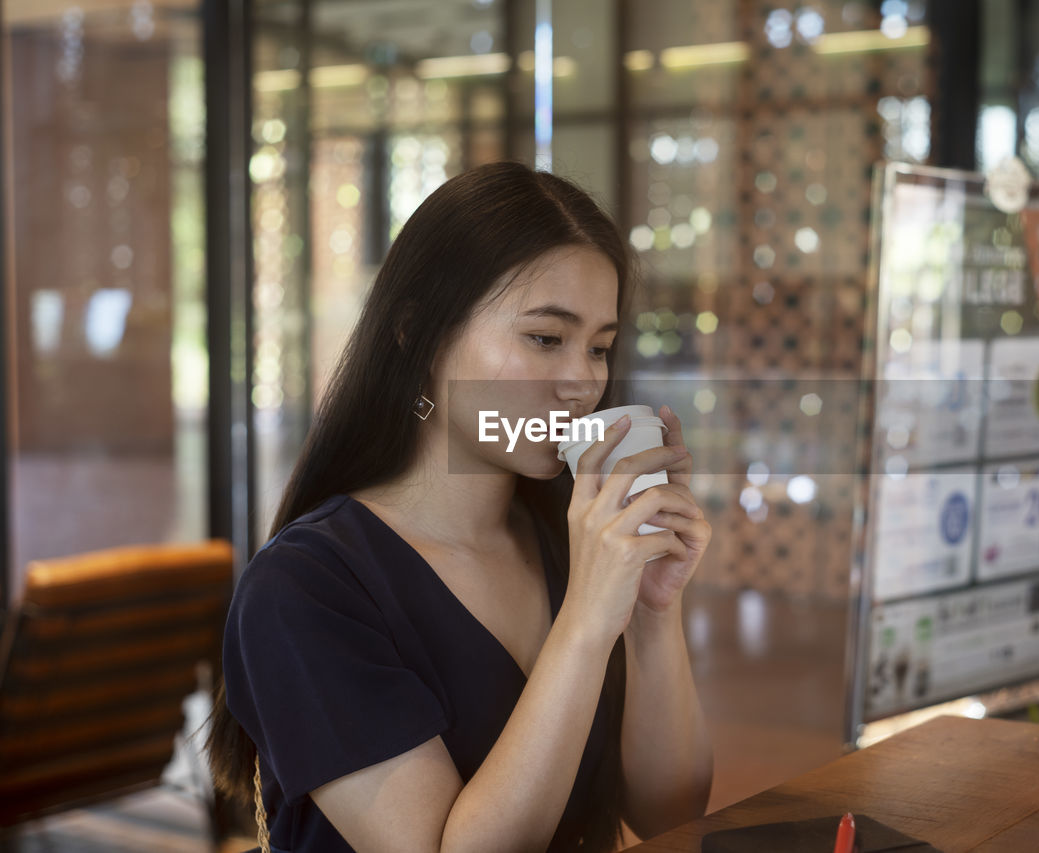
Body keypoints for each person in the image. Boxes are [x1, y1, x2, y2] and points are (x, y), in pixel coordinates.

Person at [202, 160, 714, 853]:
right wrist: (589, 618)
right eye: (544, 338)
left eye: (599, 347)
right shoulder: (303, 588)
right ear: (418, 334)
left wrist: (652, 613)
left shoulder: (569, 537)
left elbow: (670, 813)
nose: (582, 381)